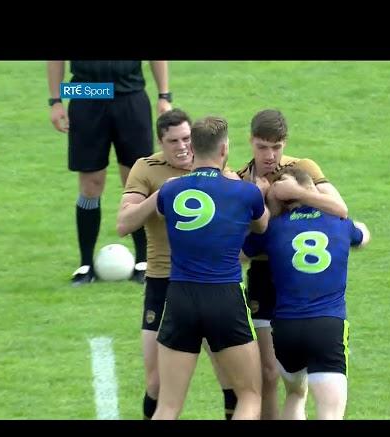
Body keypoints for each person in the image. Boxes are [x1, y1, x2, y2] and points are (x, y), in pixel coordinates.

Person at [116, 108, 240, 420]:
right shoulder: (146, 168)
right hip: (163, 282)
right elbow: (123, 223)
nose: (183, 146)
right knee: (156, 381)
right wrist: (158, 198)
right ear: (160, 142)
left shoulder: (216, 170)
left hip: (211, 283)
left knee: (230, 379)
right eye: (173, 141)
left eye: (187, 138)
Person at [153, 116, 269, 420]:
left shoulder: (170, 190)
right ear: (224, 148)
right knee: (249, 396)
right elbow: (261, 225)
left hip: (180, 297)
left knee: (168, 405)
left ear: (191, 148)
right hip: (225, 297)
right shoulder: (246, 193)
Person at [236, 109, 349, 419]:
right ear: (251, 142)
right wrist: (264, 204)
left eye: (277, 147)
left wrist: (297, 192)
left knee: (298, 385)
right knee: (269, 373)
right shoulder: (240, 179)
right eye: (262, 147)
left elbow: (339, 209)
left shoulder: (303, 168)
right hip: (263, 276)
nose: (270, 155)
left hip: (303, 278)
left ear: (285, 144)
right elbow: (240, 242)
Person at [242, 168, 370, 419]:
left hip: (286, 329)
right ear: (310, 188)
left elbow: (241, 252)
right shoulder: (339, 223)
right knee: (329, 413)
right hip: (327, 327)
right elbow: (364, 236)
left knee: (296, 394)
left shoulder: (273, 229)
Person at [47, 60, 172, 286]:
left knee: (136, 181)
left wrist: (164, 95)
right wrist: (55, 100)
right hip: (86, 94)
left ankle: (144, 262)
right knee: (90, 185)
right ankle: (85, 265)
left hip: (131, 95)